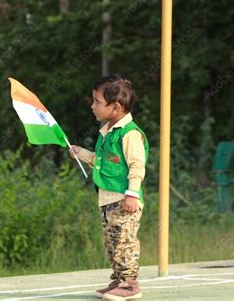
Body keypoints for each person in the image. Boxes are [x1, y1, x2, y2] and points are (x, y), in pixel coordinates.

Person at [69, 74, 149, 300]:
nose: (92, 106)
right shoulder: (106, 134)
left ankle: (129, 284)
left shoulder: (130, 133)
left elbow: (136, 165)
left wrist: (132, 194)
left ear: (115, 107)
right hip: (107, 200)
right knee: (112, 241)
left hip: (124, 200)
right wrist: (80, 153)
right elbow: (101, 161)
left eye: (97, 102)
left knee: (125, 242)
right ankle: (119, 279)